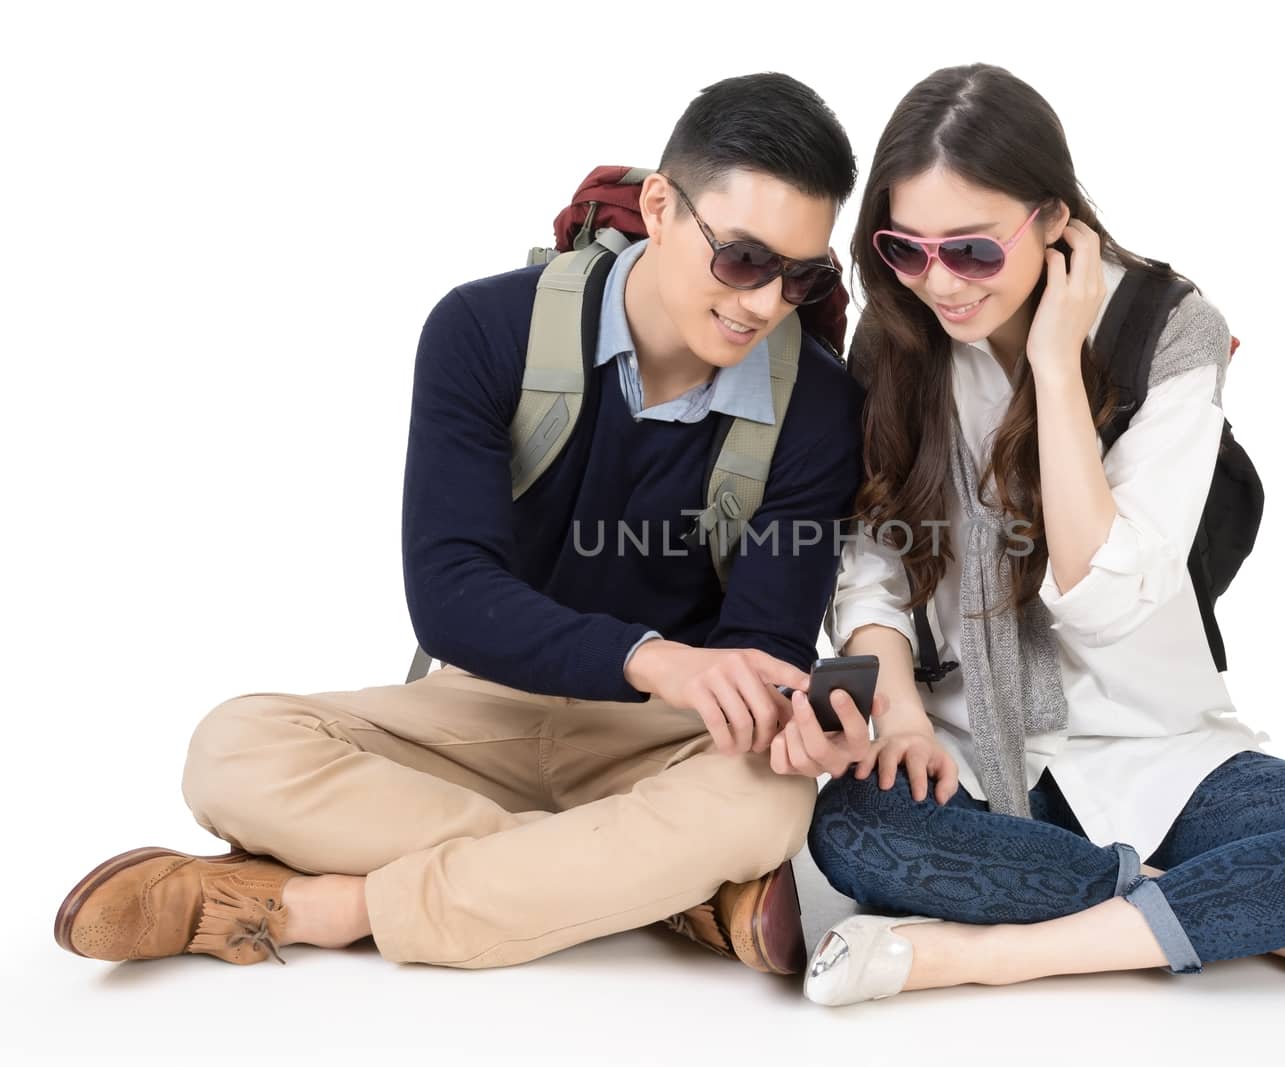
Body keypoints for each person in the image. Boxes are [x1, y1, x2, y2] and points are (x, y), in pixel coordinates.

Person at [53, 72, 865, 976]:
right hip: (482, 709)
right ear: (662, 206)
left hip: (667, 743)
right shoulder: (484, 328)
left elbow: (762, 646)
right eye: (743, 259)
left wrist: (783, 712)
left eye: (801, 276)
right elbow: (450, 595)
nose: (765, 302)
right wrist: (653, 657)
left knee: (765, 804)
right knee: (231, 747)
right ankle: (666, 889)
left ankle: (315, 905)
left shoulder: (821, 405)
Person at [767, 63, 1285, 1006]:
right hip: (976, 751)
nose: (938, 283)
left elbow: (1102, 597)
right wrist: (908, 721)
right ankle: (1254, 921)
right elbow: (877, 559)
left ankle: (972, 952)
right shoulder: (897, 335)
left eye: (970, 250)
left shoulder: (1169, 332)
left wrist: (1055, 364)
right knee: (855, 826)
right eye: (906, 249)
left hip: (1156, 756)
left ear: (1052, 218)